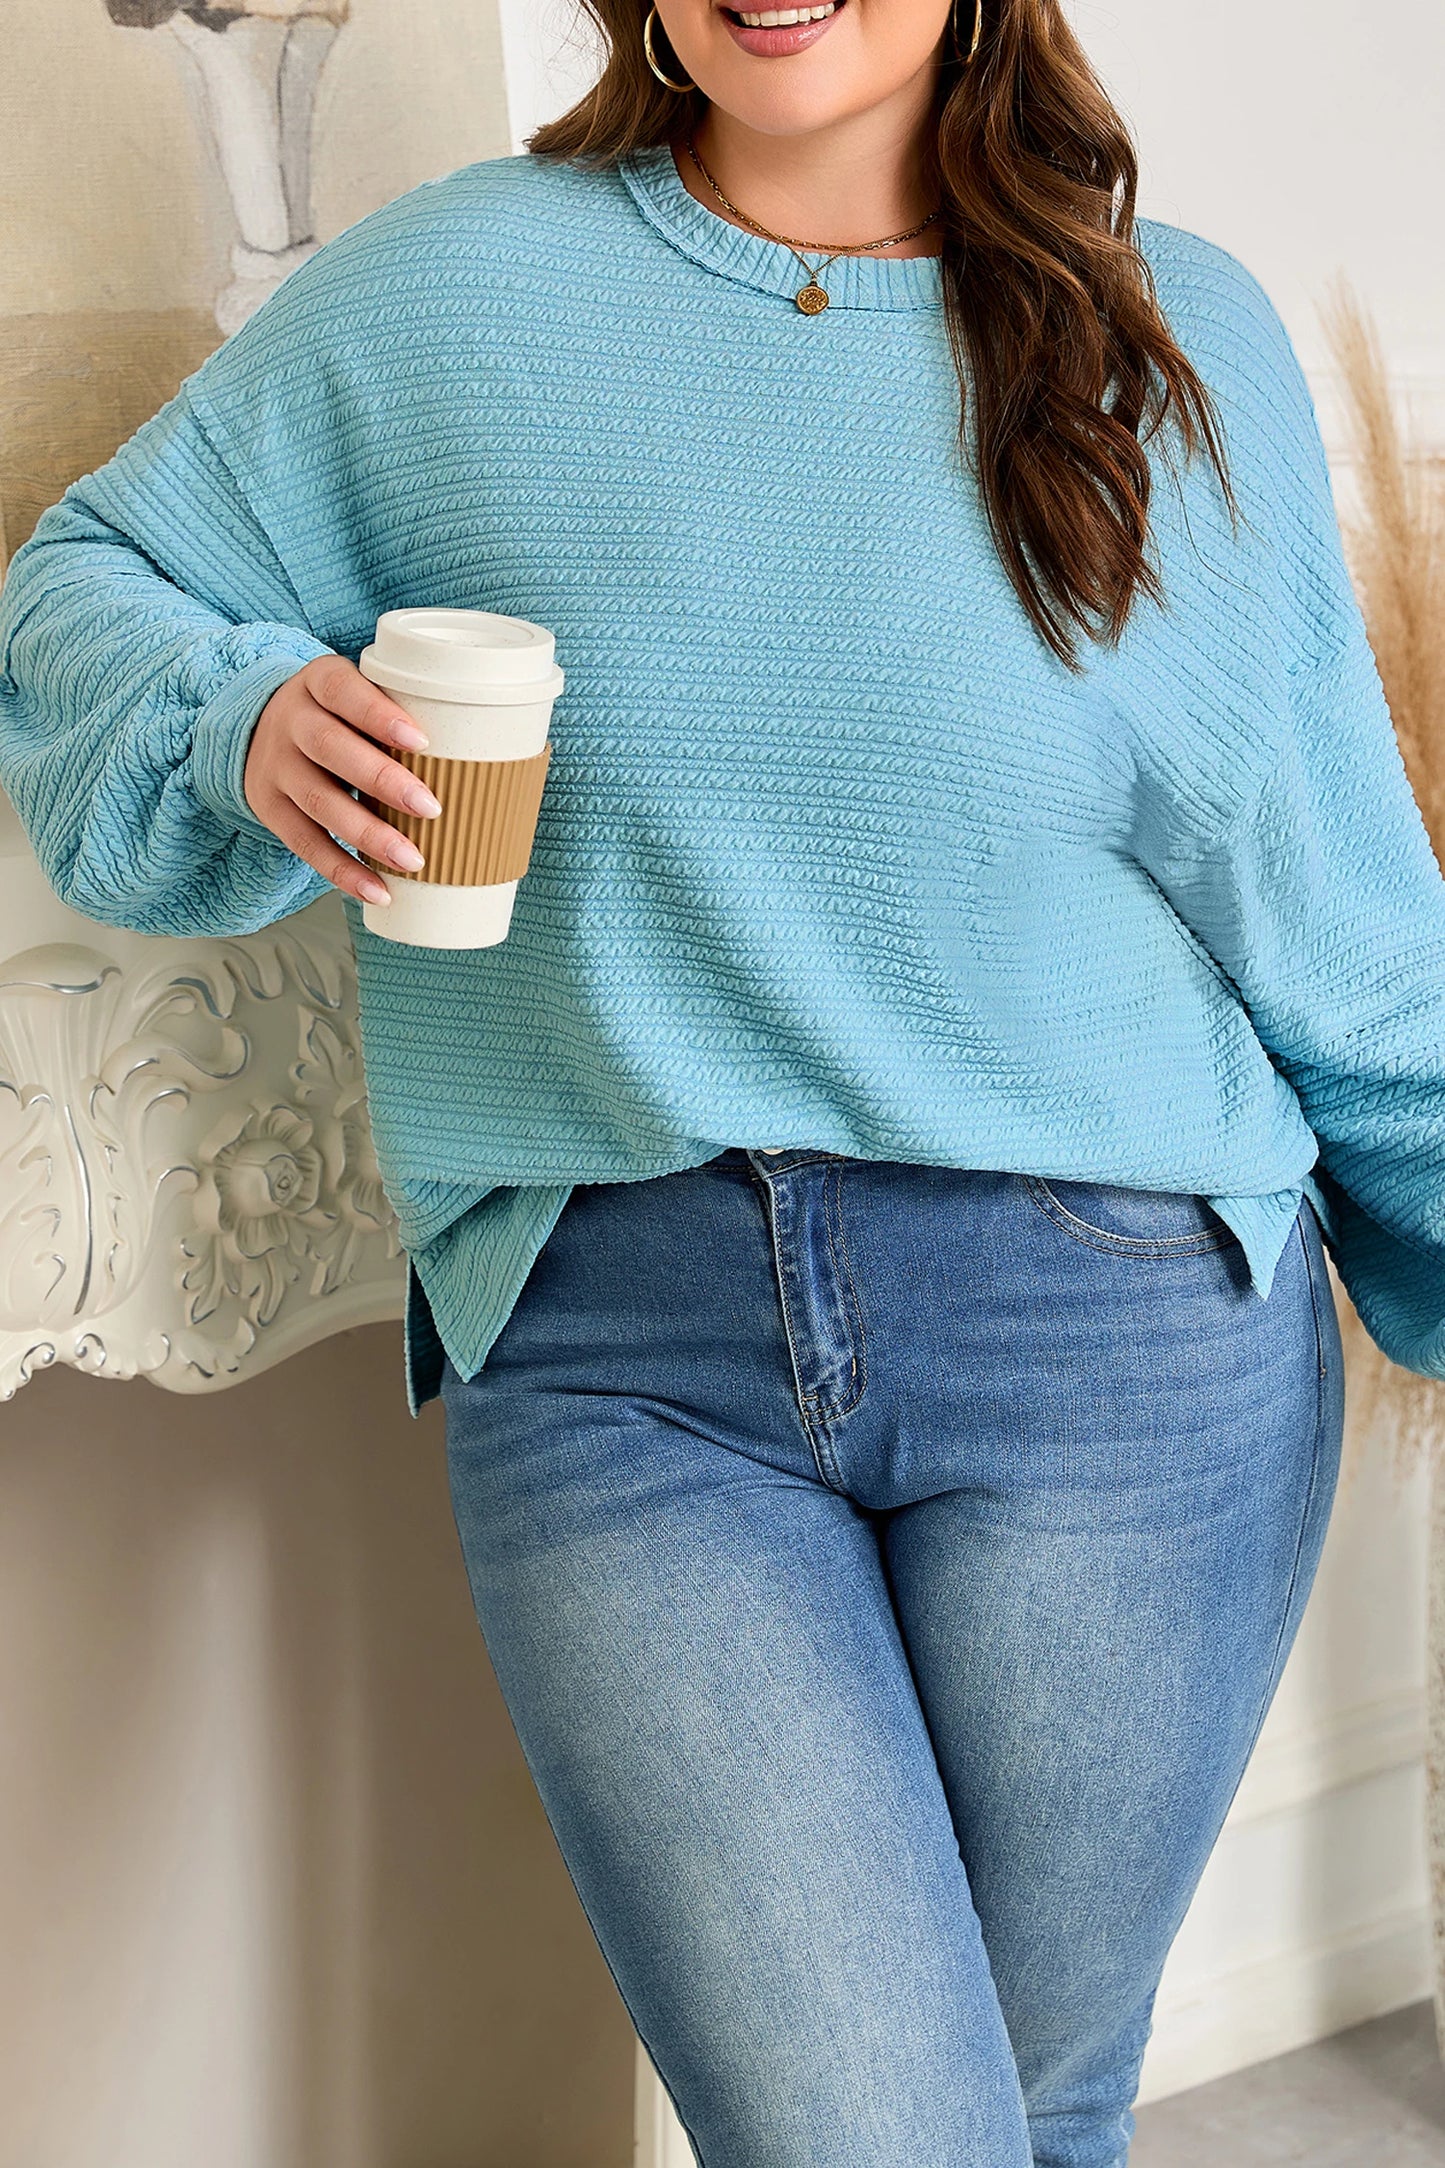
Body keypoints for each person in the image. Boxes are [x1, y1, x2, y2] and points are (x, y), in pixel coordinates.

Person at [2, 2, 1443, 2161]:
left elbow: (1347, 930)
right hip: (619, 1359)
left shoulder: (1168, 342)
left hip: (1128, 1346)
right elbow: (73, 587)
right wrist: (238, 711)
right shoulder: (457, 293)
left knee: (1031, 2116)